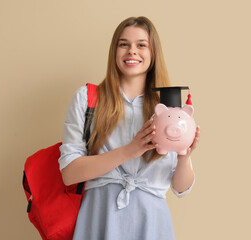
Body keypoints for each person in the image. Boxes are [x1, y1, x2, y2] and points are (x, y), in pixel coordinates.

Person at [59, 16, 201, 240]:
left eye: (141, 45)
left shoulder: (171, 110)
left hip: (152, 224)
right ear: (114, 51)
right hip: (99, 218)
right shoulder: (87, 99)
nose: (132, 51)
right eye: (123, 44)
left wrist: (185, 156)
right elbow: (69, 174)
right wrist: (130, 150)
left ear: (153, 53)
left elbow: (181, 189)